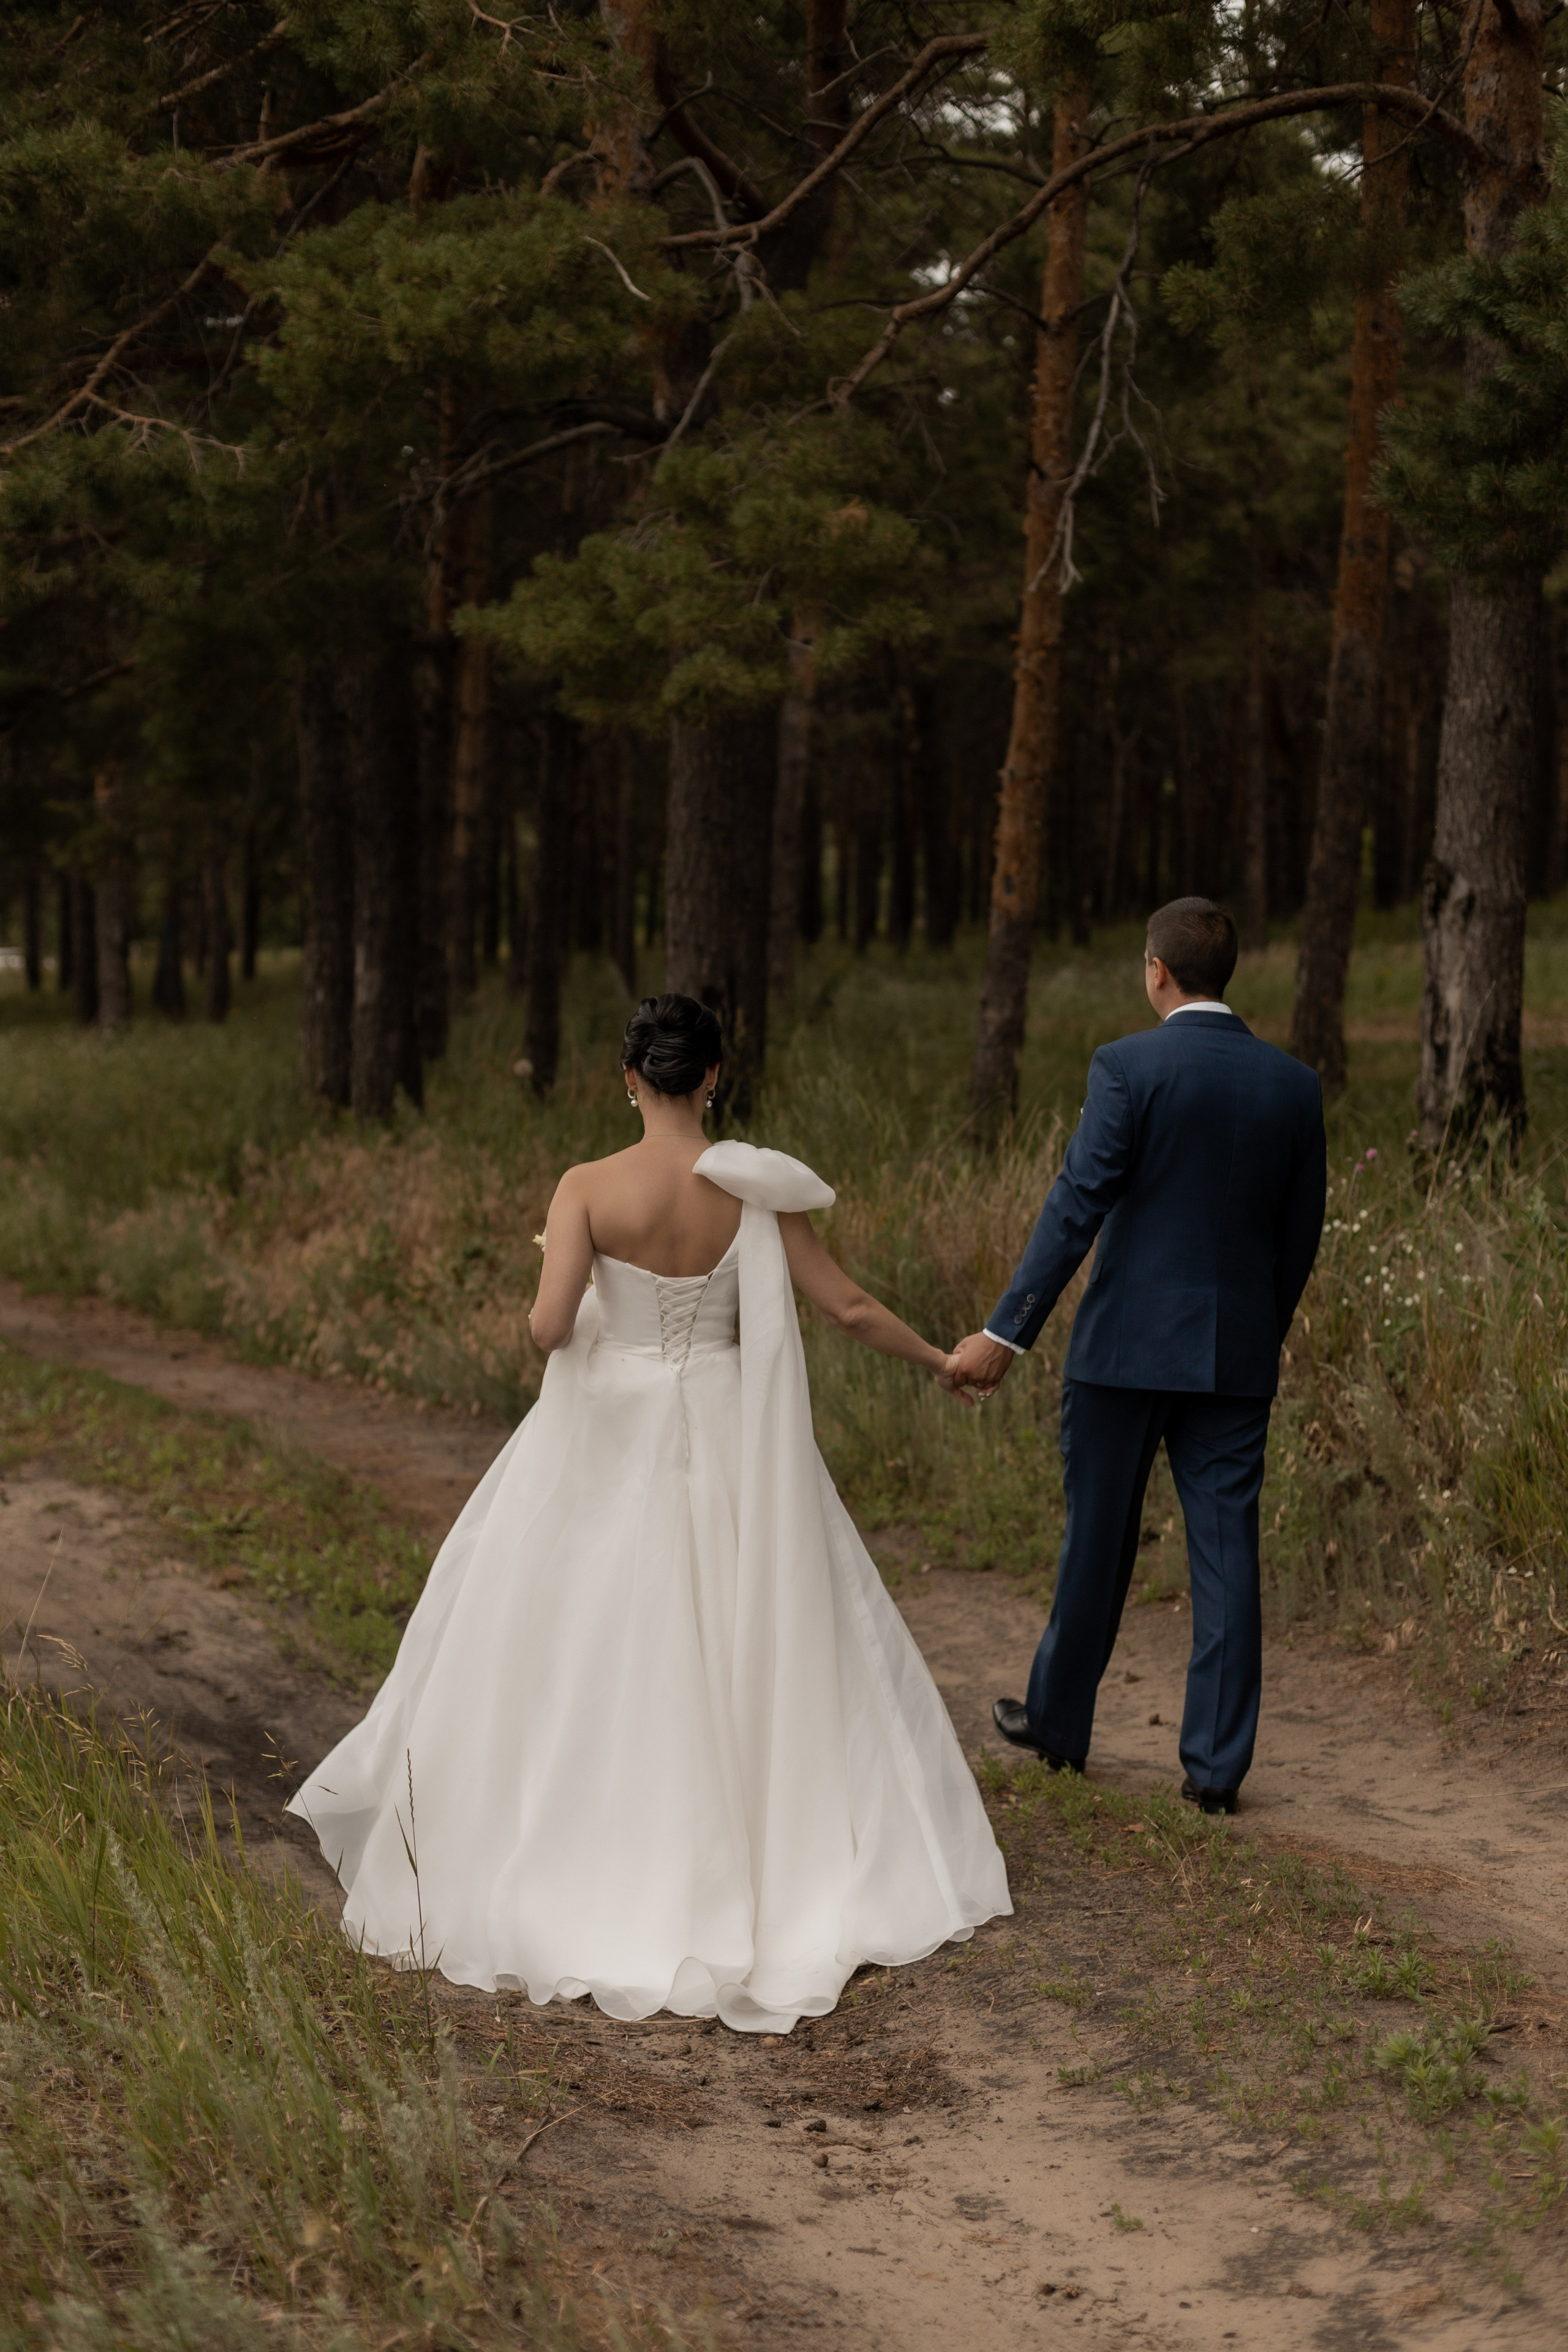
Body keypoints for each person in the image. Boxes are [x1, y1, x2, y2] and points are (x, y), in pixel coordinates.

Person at [288, 993, 1009, 2032]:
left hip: (607, 1431)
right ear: (713, 1076)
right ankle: (771, 1854)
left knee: (585, 1639)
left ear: (629, 1078)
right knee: (745, 1627)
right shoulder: (753, 1190)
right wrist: (943, 1360)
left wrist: (572, 1288)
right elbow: (845, 1307)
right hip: (732, 1435)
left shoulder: (587, 1187)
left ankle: (592, 1852)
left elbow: (546, 1331)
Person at [948, 897, 1325, 1816]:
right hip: (1233, 1355)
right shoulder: (1292, 1084)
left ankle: (1060, 1727)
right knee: (1228, 1553)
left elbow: (1078, 1201)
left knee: (1098, 1541)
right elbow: (1300, 1236)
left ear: (1157, 970)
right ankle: (1215, 1772)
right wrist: (1256, 1334)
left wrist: (1007, 1331)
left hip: (1120, 1353)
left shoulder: (1128, 1066)